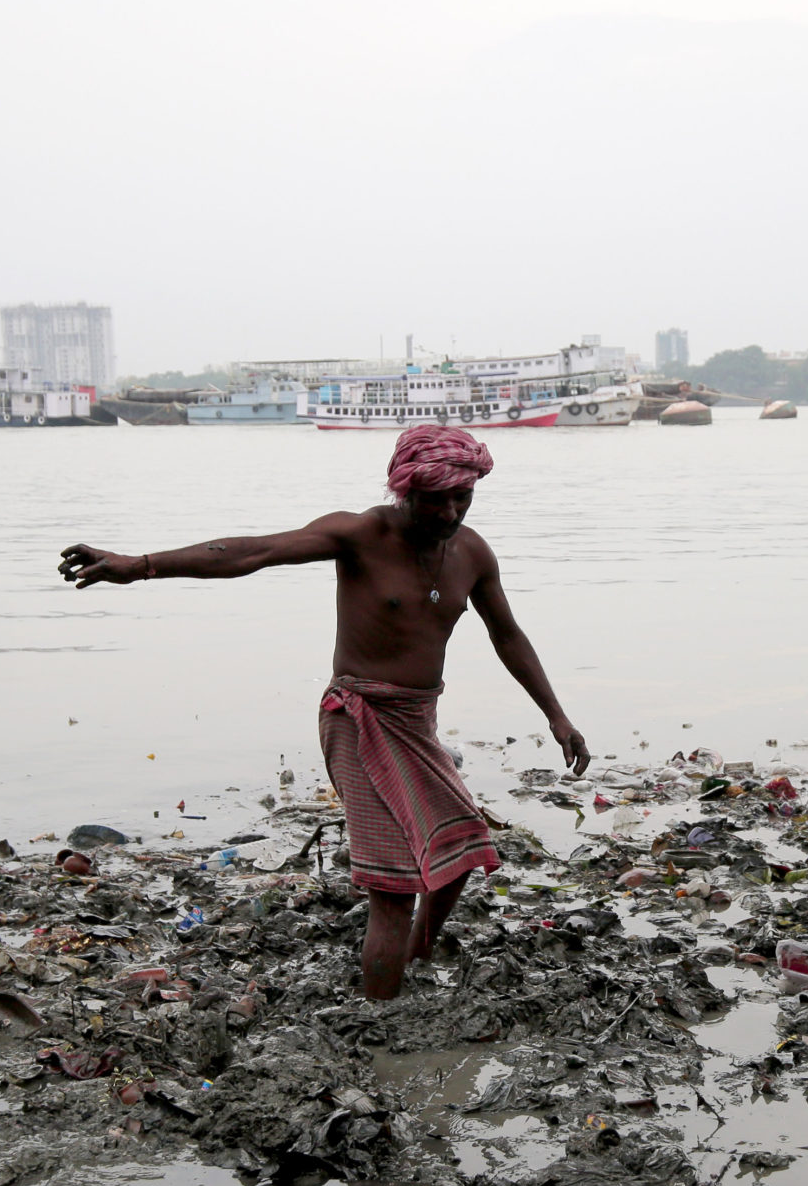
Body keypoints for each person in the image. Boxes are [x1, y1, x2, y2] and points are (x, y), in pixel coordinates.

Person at [57, 425, 591, 1000]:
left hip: (418, 721)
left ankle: (418, 953)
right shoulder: (361, 534)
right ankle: (381, 1013)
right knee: (394, 891)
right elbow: (253, 552)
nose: (450, 511)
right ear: (405, 490)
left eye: (462, 497)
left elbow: (507, 635)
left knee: (460, 849)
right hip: (357, 716)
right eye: (435, 499)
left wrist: (557, 717)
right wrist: (141, 565)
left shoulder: (472, 552)